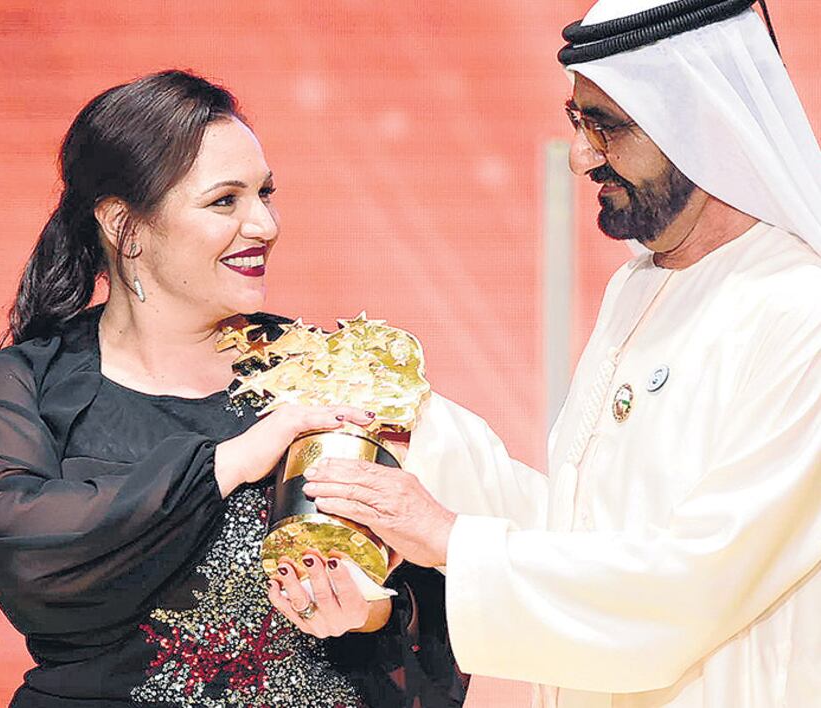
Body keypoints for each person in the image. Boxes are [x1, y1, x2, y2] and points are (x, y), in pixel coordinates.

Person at [301, 1, 821, 706]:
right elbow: (577, 531)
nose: (580, 157)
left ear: (703, 121)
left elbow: (690, 585)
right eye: (577, 121)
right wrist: (413, 426)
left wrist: (451, 538)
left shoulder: (799, 310)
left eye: (606, 126)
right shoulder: (637, 287)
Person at [0, 70, 465, 707]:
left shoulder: (326, 369)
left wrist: (365, 611)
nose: (264, 224)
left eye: (265, 194)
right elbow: (33, 559)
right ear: (124, 226)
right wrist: (232, 461)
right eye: (225, 201)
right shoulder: (26, 385)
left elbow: (424, 581)